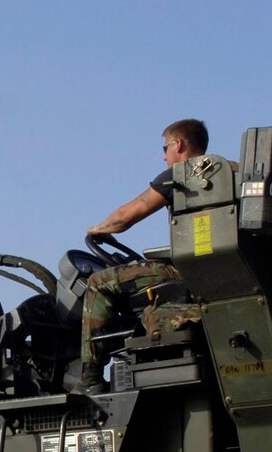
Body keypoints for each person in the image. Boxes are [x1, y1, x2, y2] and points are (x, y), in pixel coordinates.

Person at [73, 119, 205, 392]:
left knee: (99, 283)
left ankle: (91, 379)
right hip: (210, 271)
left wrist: (99, 229)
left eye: (165, 148)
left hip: (187, 271)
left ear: (178, 144)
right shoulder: (226, 172)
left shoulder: (182, 174)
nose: (163, 156)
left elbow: (128, 215)